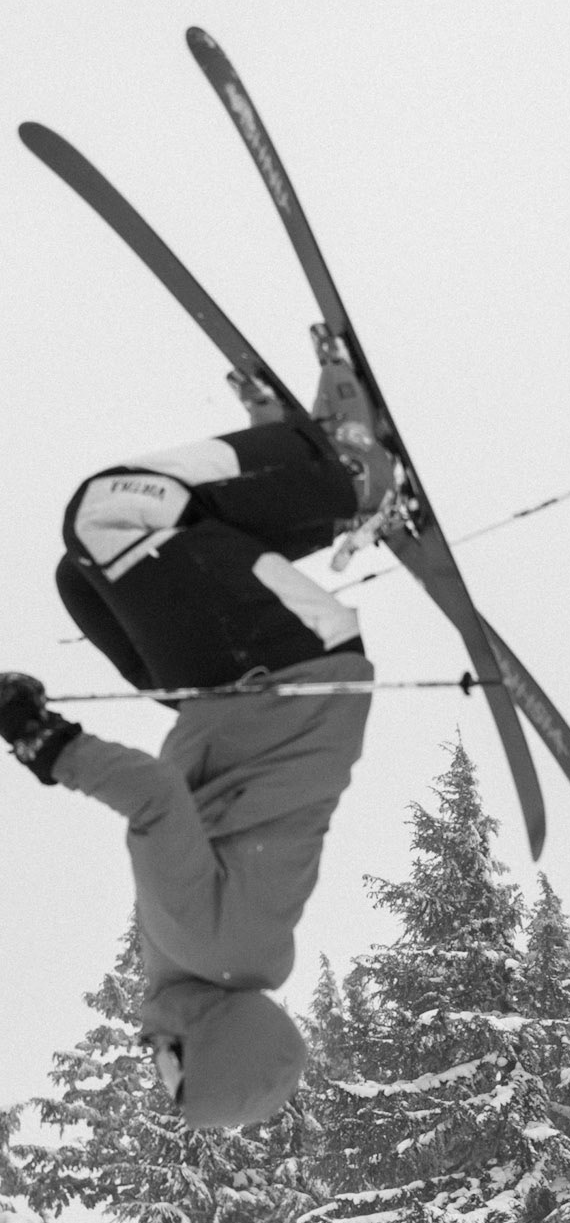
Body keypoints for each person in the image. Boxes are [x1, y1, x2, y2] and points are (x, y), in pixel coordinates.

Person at [0, 358, 398, 1131]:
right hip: (287, 665)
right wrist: (40, 741)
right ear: (209, 1042)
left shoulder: (228, 961)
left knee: (87, 580)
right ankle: (346, 475)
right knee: (106, 517)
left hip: (245, 694)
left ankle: (294, 481)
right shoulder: (204, 942)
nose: (155, 1060)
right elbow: (154, 799)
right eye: (173, 1068)